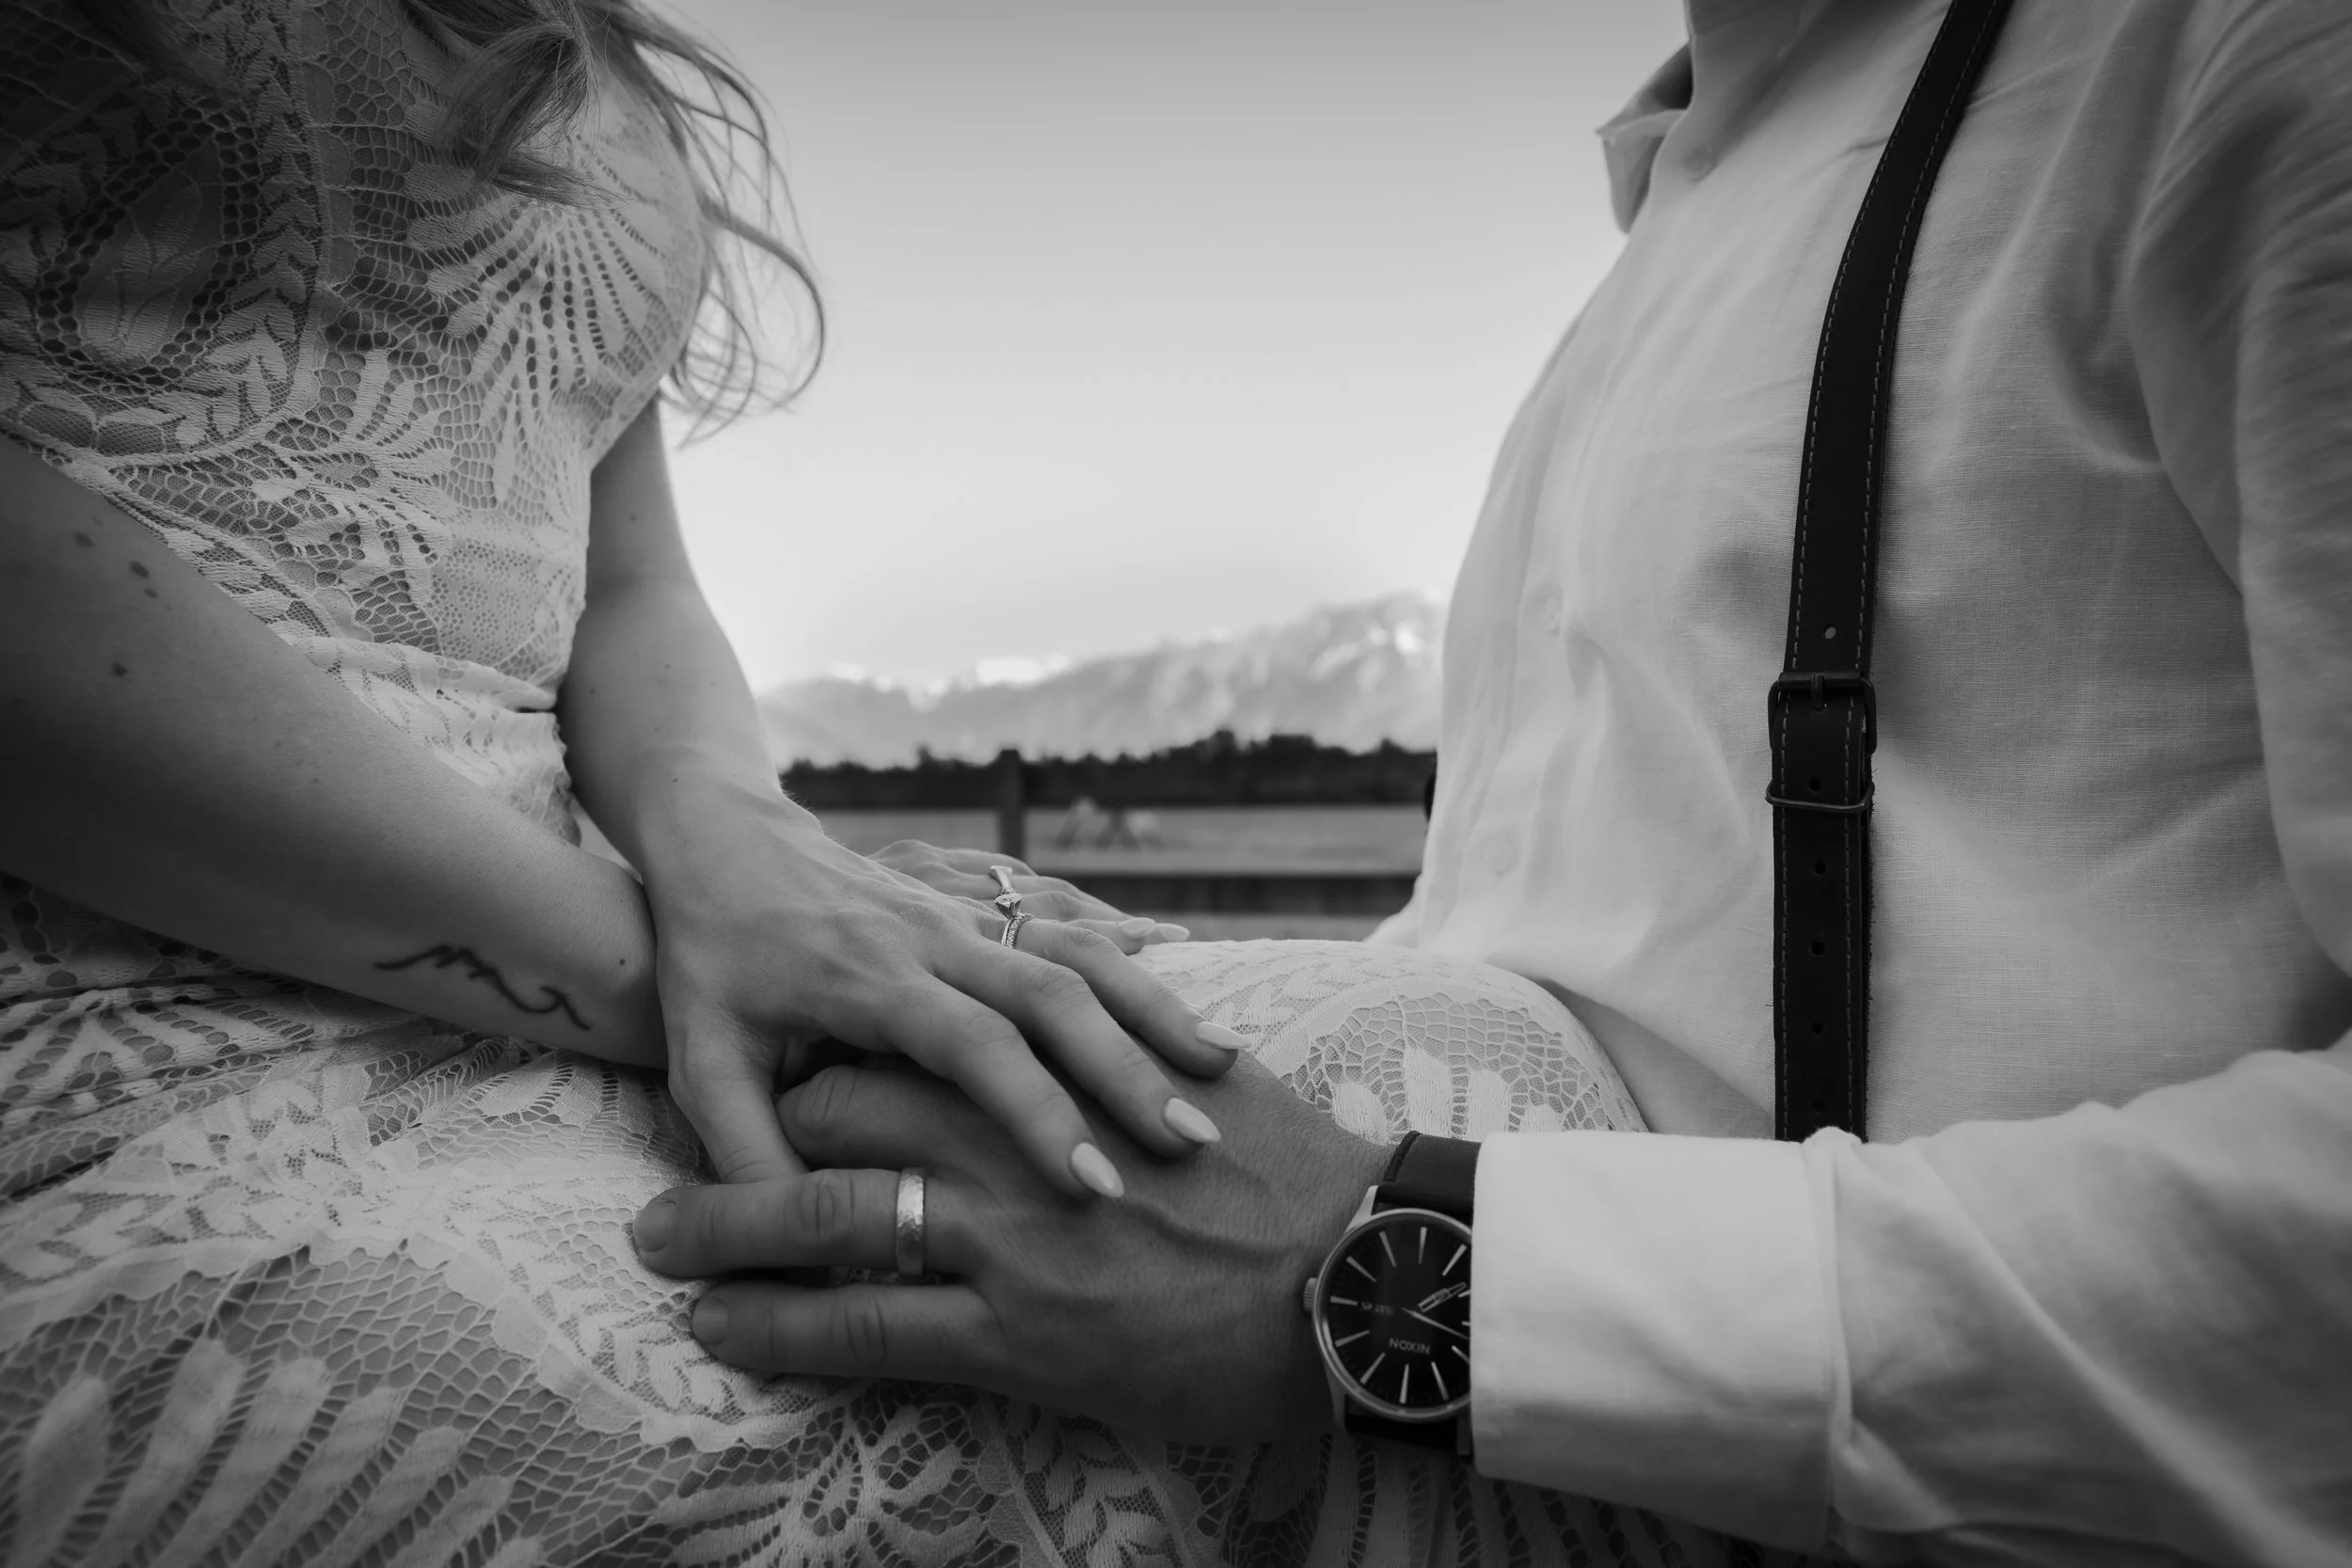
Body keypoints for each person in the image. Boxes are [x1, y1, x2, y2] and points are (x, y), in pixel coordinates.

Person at [0, 1, 1729, 1563]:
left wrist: (750, 855)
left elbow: (629, 575)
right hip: (150, 995)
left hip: (620, 913)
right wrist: (701, 981)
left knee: (1497, 1074)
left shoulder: (572, 30)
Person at [638, 1, 2352, 1564]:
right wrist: (1192, 982)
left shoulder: (2231, 57)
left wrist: (1409, 1276)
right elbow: (1616, 948)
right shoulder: (1676, 223)